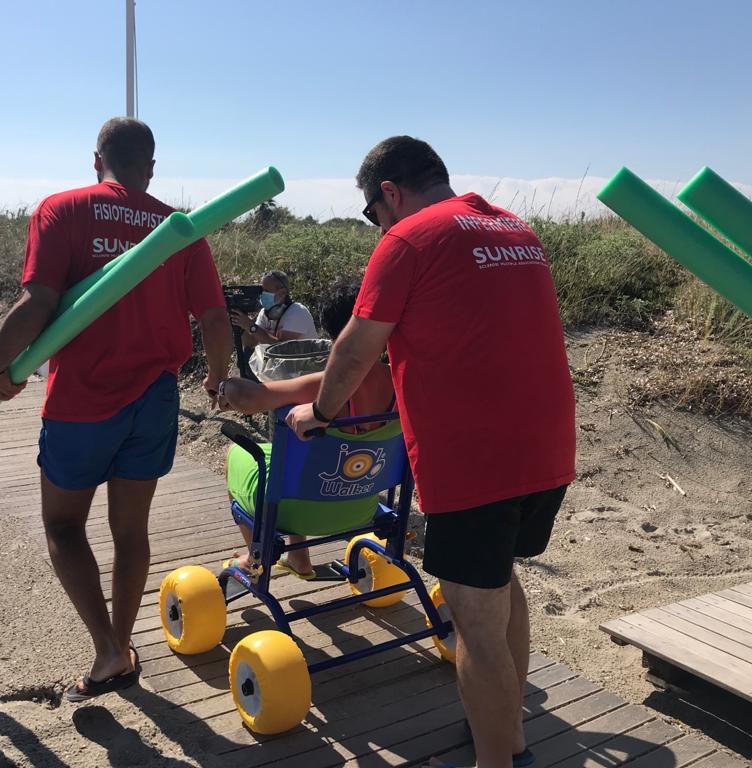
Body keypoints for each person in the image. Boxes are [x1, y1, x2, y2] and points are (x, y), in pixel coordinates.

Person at [286, 136, 576, 768]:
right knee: (500, 585)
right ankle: (510, 733)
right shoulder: (515, 229)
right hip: (547, 446)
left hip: (477, 459)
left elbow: (357, 348)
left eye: (372, 213)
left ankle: (499, 758)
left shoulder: (408, 240)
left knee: (475, 622)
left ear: (390, 193)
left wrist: (320, 413)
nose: (377, 226)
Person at [0, 117, 231, 703]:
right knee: (131, 530)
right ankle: (121, 644)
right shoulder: (180, 228)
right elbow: (214, 321)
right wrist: (216, 381)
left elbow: (38, 300)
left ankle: (108, 650)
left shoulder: (62, 210)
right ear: (151, 167)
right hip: (155, 399)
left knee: (64, 526)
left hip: (83, 399)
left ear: (98, 161)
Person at [219, 284, 395, 579]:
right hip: (363, 507)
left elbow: (248, 398)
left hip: (295, 510)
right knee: (296, 460)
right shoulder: (402, 382)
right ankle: (298, 558)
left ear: (332, 335)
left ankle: (255, 558)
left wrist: (224, 385)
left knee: (237, 453)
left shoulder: (322, 388)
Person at [229, 270, 318, 349]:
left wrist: (252, 327)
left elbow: (283, 349)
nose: (262, 295)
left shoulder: (297, 312)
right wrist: (244, 324)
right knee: (247, 355)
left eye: (266, 291)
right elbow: (249, 344)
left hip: (304, 364)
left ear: (283, 292)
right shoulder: (265, 312)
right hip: (283, 365)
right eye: (261, 291)